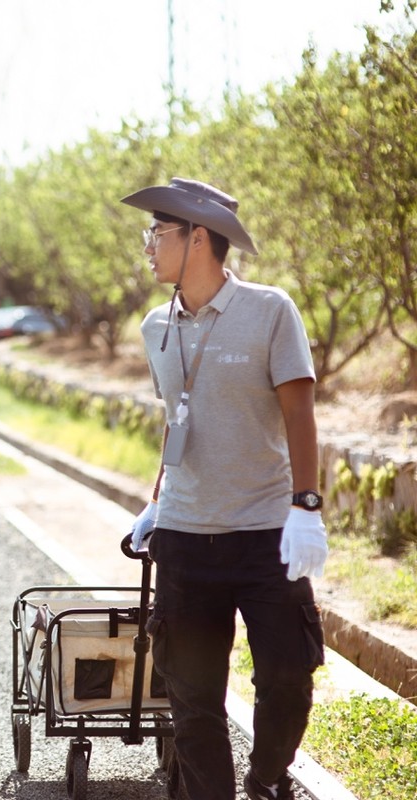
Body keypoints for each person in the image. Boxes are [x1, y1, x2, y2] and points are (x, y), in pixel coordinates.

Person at [121, 178, 327, 800]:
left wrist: (306, 507)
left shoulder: (270, 310)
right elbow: (174, 420)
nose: (148, 249)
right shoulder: (155, 325)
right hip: (184, 539)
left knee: (289, 676)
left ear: (199, 239)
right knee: (192, 696)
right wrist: (158, 499)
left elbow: (300, 413)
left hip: (266, 534)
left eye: (158, 236)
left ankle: (266, 778)